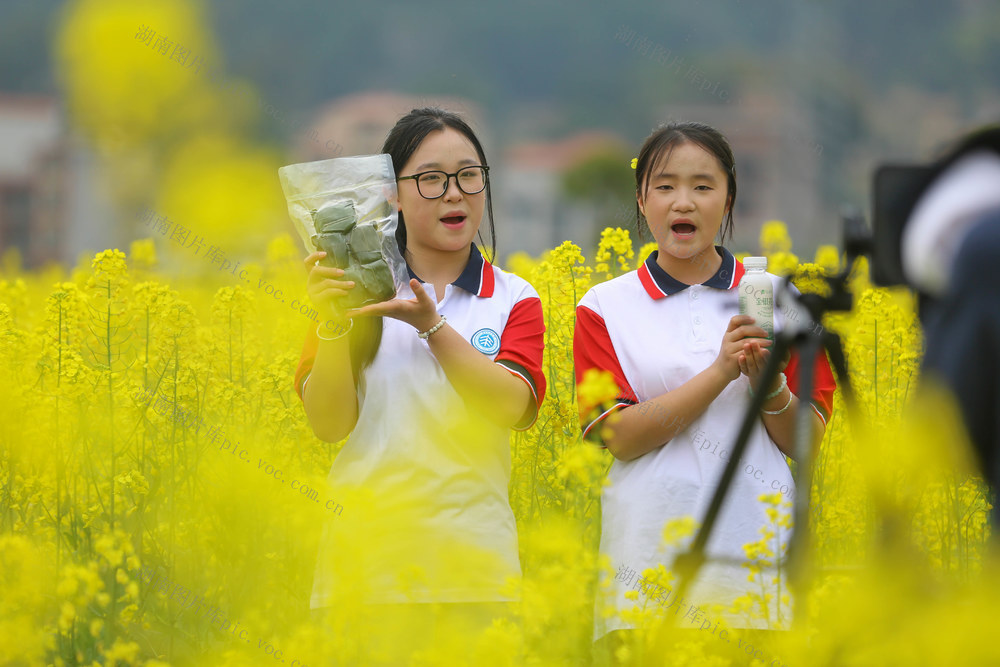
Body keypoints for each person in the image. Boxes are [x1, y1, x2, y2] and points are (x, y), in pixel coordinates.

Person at [294, 108, 546, 660]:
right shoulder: (352, 293)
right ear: (394, 196)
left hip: (476, 576)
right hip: (364, 574)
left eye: (469, 176)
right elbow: (329, 425)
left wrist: (431, 326)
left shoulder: (514, 298)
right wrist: (333, 322)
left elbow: (510, 407)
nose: (454, 194)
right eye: (431, 179)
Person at [572, 121, 837, 646]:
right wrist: (720, 372)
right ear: (641, 200)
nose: (683, 202)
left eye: (702, 186)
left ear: (728, 198)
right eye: (665, 186)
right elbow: (618, 437)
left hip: (755, 561)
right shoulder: (603, 307)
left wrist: (769, 388)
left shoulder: (784, 302)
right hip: (646, 563)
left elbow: (806, 441)